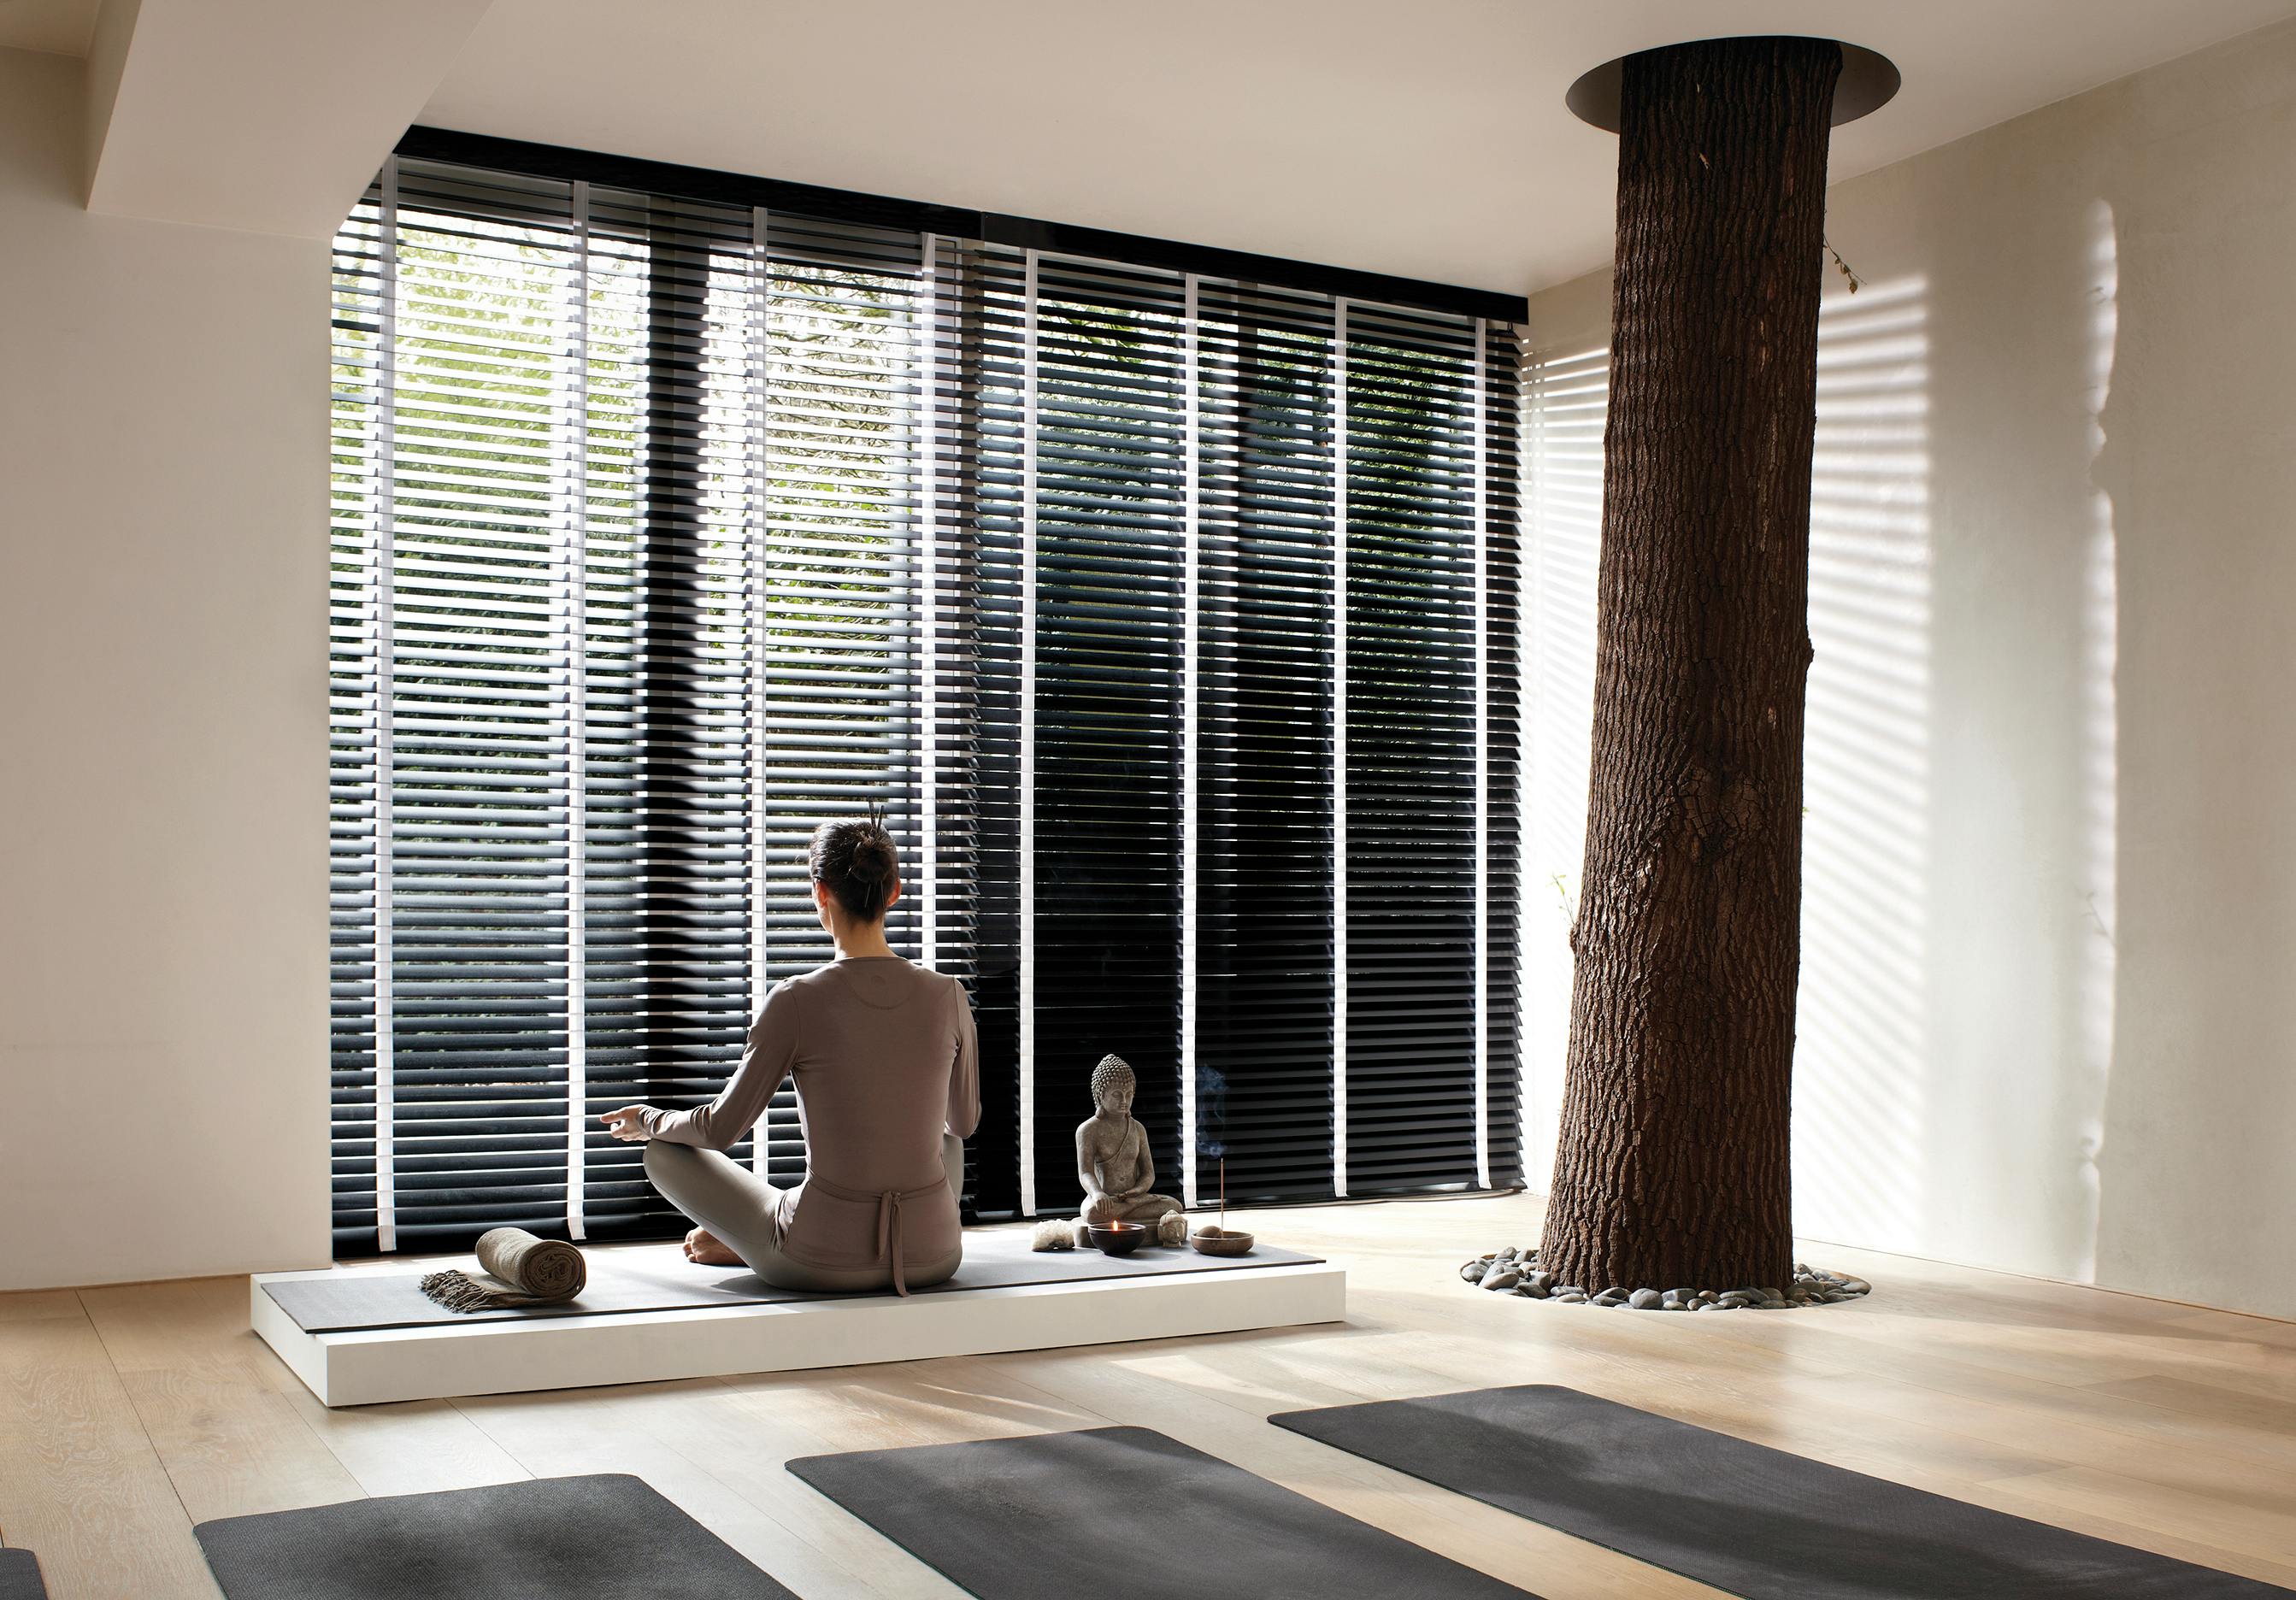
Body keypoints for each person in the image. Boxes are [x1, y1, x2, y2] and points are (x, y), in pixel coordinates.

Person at [601, 819, 979, 1296]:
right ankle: (755, 1238)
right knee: (945, 1137)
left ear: (820, 893)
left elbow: (719, 1130)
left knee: (664, 1153)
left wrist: (650, 1118)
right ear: (895, 891)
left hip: (819, 1259)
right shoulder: (949, 994)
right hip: (936, 1257)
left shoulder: (795, 1000)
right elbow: (962, 1125)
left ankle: (750, 1242)